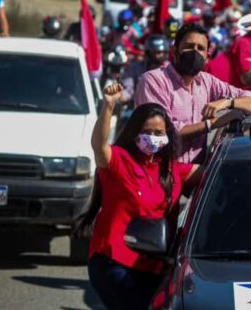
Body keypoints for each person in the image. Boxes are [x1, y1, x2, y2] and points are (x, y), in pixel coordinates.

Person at [83, 84, 203, 310]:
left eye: (158, 133)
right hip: (115, 263)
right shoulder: (119, 161)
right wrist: (108, 106)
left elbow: (213, 172)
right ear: (134, 133)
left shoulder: (173, 171)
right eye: (146, 131)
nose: (152, 137)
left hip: (155, 267)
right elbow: (98, 146)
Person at [135, 23, 251, 162]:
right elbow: (165, 133)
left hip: (196, 174)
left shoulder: (207, 81)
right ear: (175, 51)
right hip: (161, 172)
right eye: (189, 46)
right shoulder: (154, 80)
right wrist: (213, 123)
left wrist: (228, 102)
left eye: (200, 48)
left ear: (207, 57)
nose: (194, 52)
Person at [122, 34, 170, 105]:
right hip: (140, 108)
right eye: (153, 52)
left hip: (165, 109)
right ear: (148, 52)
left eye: (159, 52)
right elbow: (128, 90)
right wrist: (120, 95)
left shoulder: (171, 69)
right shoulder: (135, 67)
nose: (156, 56)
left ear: (165, 52)